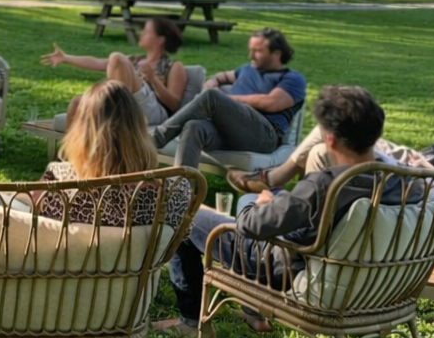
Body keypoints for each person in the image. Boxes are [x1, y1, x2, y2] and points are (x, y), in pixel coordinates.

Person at [159, 85, 417, 337]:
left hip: (282, 266)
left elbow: (250, 225)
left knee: (186, 211)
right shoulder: (401, 181)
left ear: (330, 139)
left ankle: (191, 322)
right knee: (257, 197)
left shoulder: (325, 185)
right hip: (359, 276)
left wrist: (257, 205)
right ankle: (253, 311)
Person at [226, 48, 434, 192]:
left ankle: (277, 183)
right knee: (327, 136)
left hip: (431, 175)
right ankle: (290, 194)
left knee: (329, 132)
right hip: (421, 160)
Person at [32, 81, 193, 227]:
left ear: (83, 132)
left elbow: (33, 219)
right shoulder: (172, 193)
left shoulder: (58, 180)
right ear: (139, 129)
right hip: (137, 260)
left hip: (71, 259)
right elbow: (182, 235)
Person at [150, 28, 306, 170]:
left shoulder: (292, 79)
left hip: (264, 136)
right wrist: (212, 82)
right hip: (231, 132)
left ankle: (155, 140)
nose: (251, 56)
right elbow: (223, 76)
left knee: (212, 97)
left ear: (277, 53)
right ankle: (182, 190)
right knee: (194, 126)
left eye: (258, 51)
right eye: (250, 50)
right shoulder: (248, 69)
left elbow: (272, 103)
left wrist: (226, 99)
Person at [39, 17, 189, 127]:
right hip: (129, 101)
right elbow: (97, 62)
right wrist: (66, 58)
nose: (141, 33)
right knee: (77, 103)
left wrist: (154, 80)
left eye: (147, 31)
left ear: (160, 40)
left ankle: (119, 113)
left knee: (117, 58)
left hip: (153, 111)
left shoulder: (174, 66)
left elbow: (175, 105)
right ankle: (69, 156)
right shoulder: (135, 60)